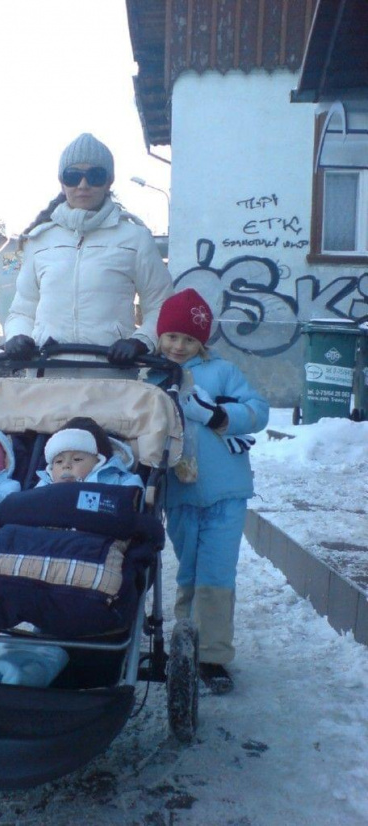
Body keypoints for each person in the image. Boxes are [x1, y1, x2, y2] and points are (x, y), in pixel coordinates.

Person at [146, 288, 269, 694]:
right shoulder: (149, 374)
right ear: (159, 336)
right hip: (178, 495)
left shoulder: (222, 372)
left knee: (217, 573)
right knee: (189, 570)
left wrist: (218, 414)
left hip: (225, 492)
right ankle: (187, 645)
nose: (179, 347)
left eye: (189, 339)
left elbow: (258, 410)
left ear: (202, 341)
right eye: (172, 337)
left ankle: (213, 655)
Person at [4, 133, 173, 368]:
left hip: (110, 374)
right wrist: (17, 336)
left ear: (109, 181)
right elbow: (22, 310)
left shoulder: (135, 238)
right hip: (48, 375)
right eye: (73, 176)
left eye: (95, 175)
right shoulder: (40, 241)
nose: (83, 185)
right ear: (62, 182)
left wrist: (140, 342)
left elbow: (162, 306)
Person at [36, 416, 144, 489]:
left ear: (99, 462)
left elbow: (133, 497)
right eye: (59, 461)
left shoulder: (118, 481)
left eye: (77, 459)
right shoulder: (44, 485)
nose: (66, 466)